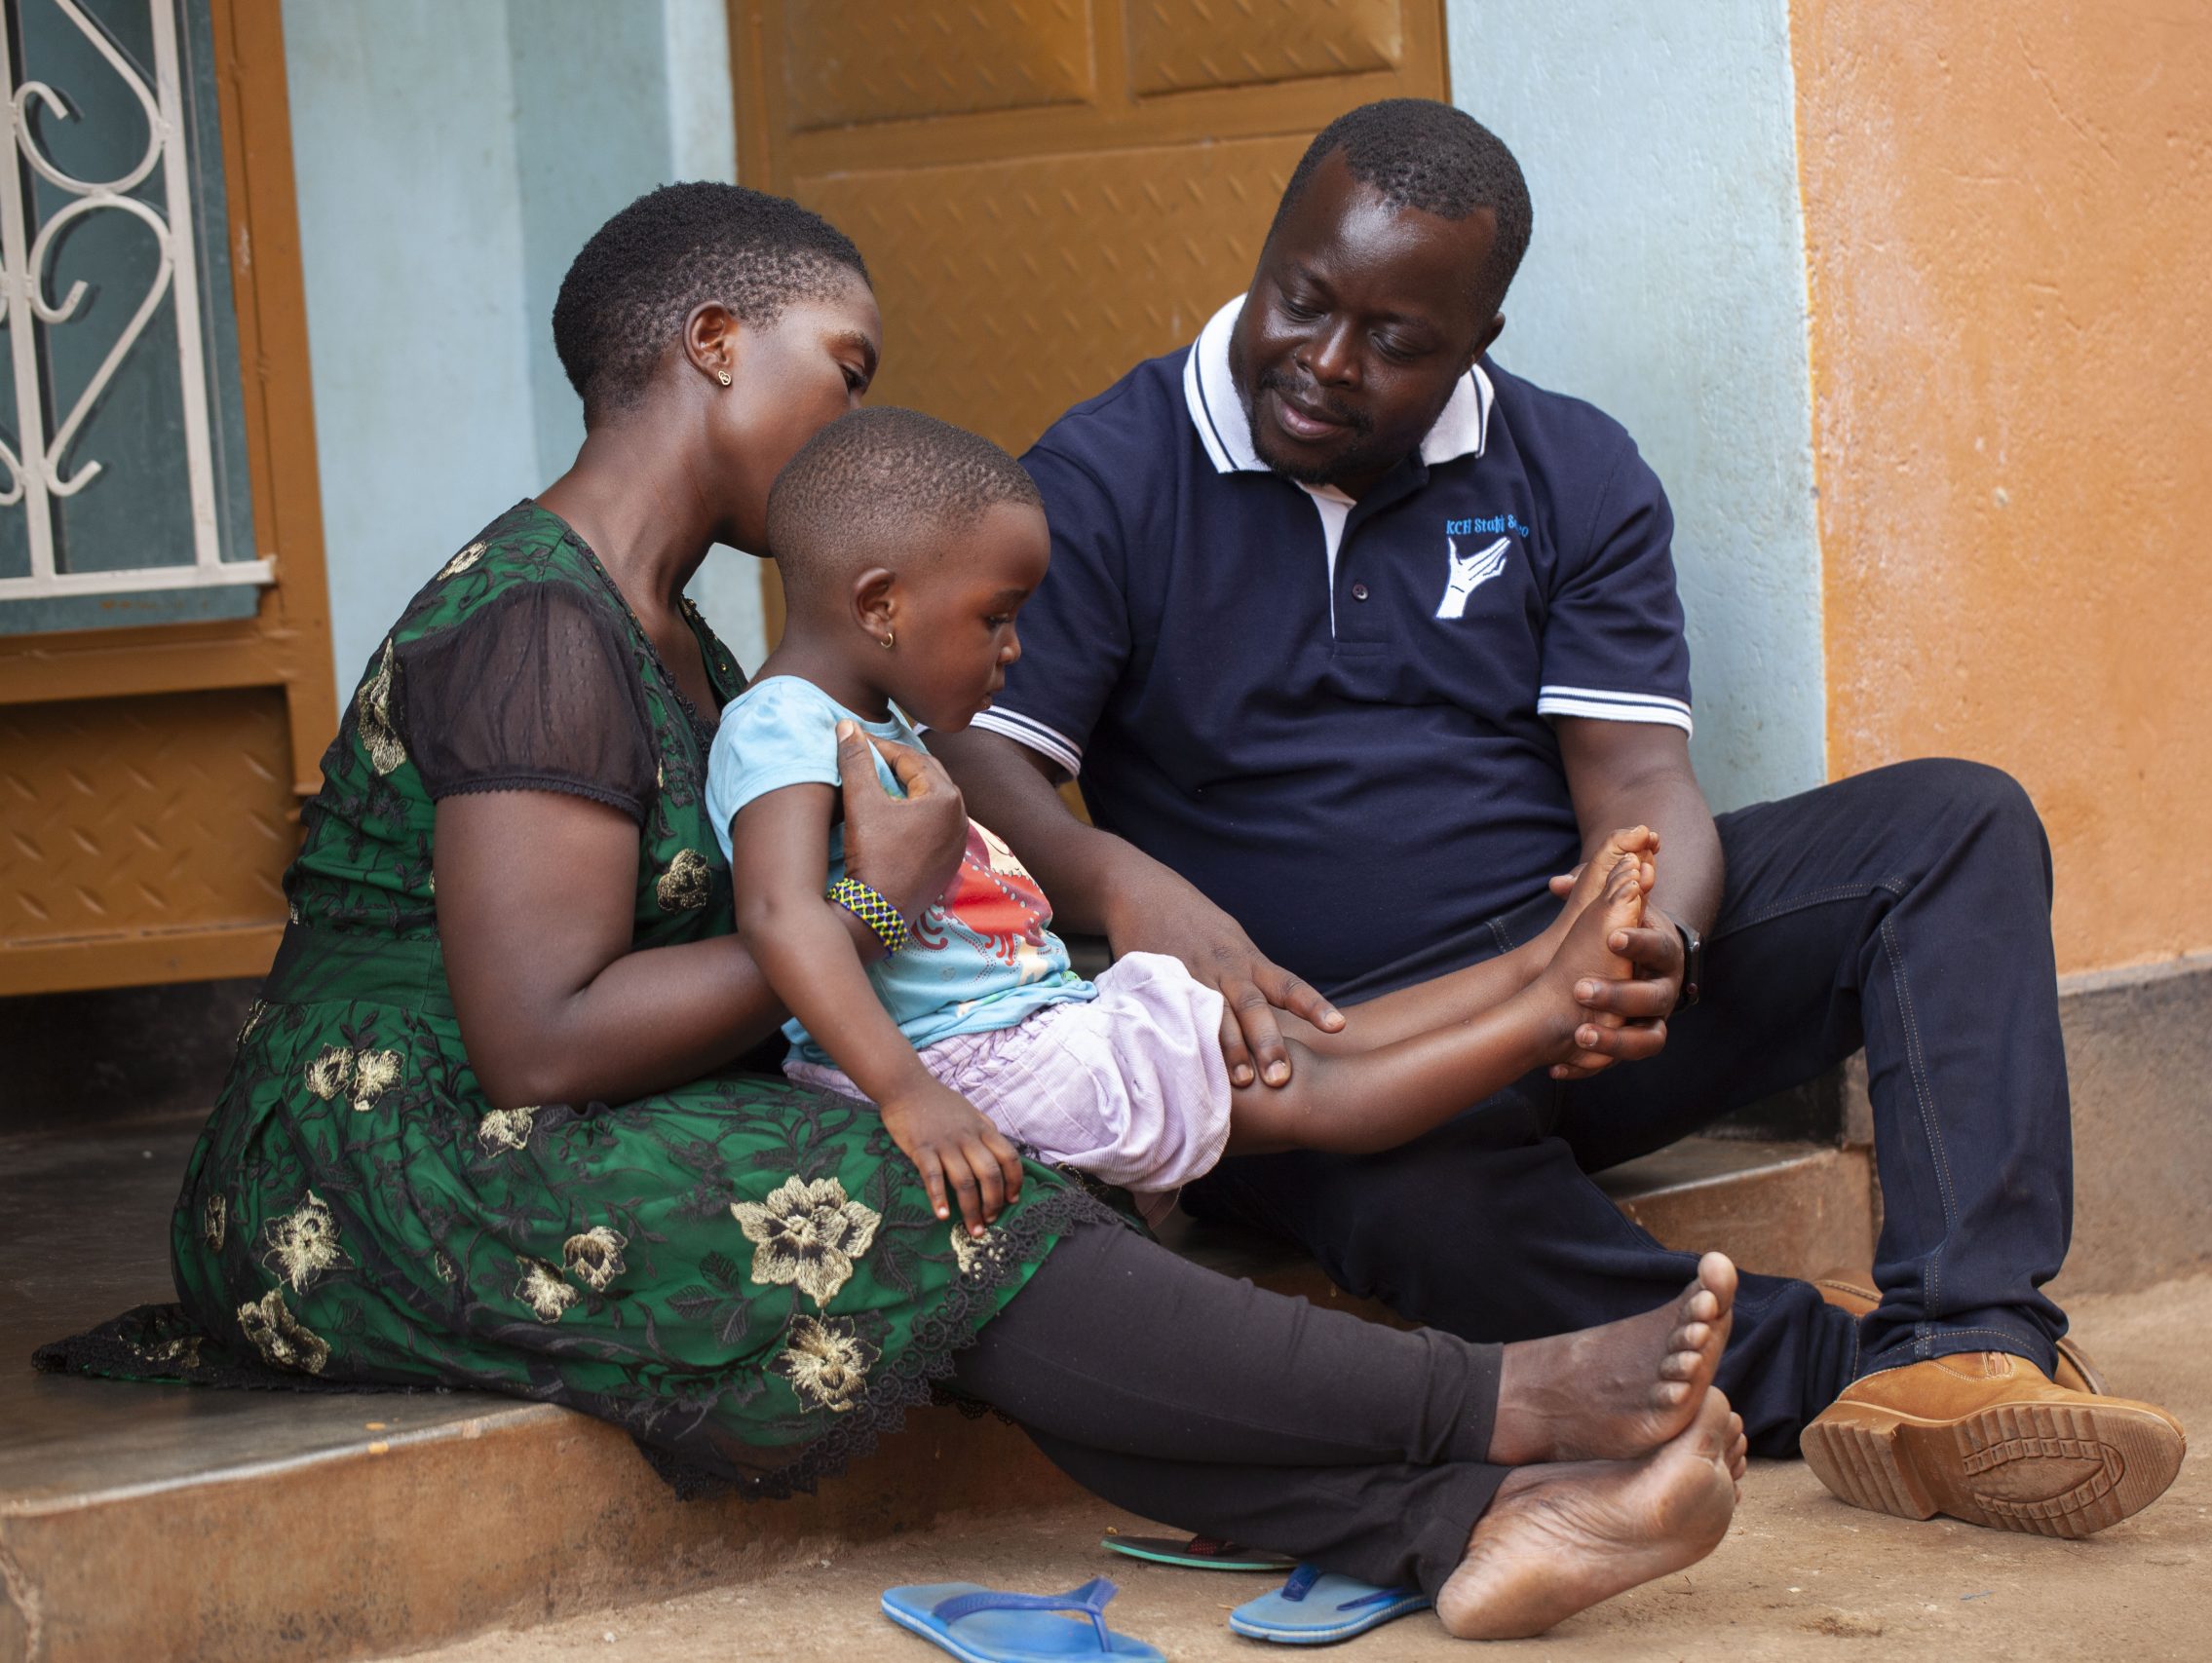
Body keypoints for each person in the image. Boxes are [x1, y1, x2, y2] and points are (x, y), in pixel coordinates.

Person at [36, 182, 1762, 1640]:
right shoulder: (537, 624)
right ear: (717, 340)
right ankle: (1506, 1402)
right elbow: (539, 1041)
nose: (858, 425)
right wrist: (878, 903)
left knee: (984, 1154)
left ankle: (1471, 1522)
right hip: (386, 1157)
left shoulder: (681, 635)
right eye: (843, 371)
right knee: (912, 1191)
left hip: (558, 1102)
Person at [931, 100, 2190, 1538]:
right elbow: (973, 754)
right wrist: (1120, 881)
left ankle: (1975, 1332)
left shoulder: (1570, 468)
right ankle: (1865, 1374)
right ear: (1267, 253)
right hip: (1331, 1050)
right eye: (1304, 300)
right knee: (1407, 1210)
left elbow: (1642, 782)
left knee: (1953, 826)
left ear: (1480, 338)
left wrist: (1659, 939)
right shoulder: (1104, 476)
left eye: (1395, 339)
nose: (1327, 361)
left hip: (1566, 983)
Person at [706, 405, 1659, 1236]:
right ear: (881, 605)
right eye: (996, 618)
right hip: (962, 1061)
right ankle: (1548, 1015)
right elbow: (781, 919)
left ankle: (1538, 961)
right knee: (1306, 1090)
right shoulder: (782, 724)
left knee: (1295, 1045)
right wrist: (909, 1093)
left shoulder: (872, 721)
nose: (1015, 649)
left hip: (1021, 1029)